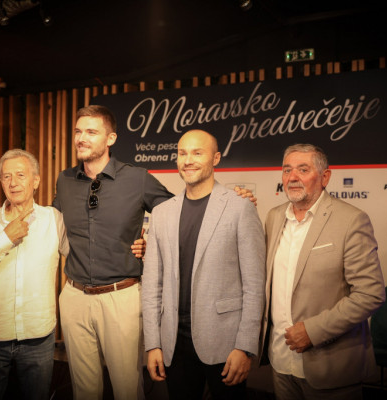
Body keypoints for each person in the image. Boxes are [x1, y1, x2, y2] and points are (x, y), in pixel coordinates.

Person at [53, 105, 256, 400]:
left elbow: (181, 215)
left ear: (110, 139)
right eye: (78, 131)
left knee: (127, 390)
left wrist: (152, 244)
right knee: (83, 391)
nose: (82, 138)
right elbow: (50, 223)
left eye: (91, 132)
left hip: (120, 296)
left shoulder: (137, 179)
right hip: (74, 296)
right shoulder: (64, 180)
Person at [141, 129, 266, 400]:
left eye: (197, 153)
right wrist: (153, 343)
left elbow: (254, 285)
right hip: (174, 343)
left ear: (216, 158)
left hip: (225, 342)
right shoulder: (161, 213)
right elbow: (152, 285)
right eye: (182, 153)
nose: (188, 160)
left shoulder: (240, 207)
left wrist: (245, 347)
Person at [258, 143, 386, 400]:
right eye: (287, 170)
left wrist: (313, 331)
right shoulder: (273, 217)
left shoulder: (351, 220)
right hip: (280, 361)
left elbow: (370, 294)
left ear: (325, 177)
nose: (292, 177)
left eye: (303, 169)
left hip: (330, 366)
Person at [0, 149, 68, 400]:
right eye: (6, 177)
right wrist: (4, 239)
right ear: (1, 183)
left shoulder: (53, 219)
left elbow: (80, 255)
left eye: (20, 175)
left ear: (36, 181)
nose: (13, 182)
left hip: (38, 336)